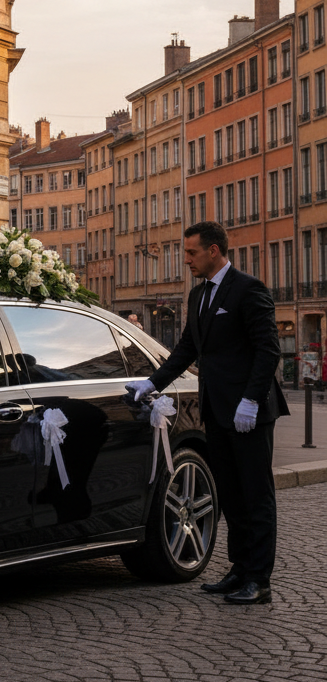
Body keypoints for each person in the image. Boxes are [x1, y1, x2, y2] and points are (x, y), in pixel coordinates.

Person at [130, 220, 287, 604]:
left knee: (256, 496)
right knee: (230, 495)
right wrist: (152, 383)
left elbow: (268, 350)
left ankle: (259, 580)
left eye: (192, 252)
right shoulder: (198, 294)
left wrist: (251, 400)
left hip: (249, 413)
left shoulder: (249, 289)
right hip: (216, 410)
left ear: (213, 250)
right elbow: (187, 349)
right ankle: (239, 570)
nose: (187, 259)